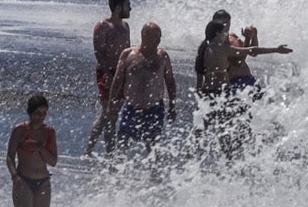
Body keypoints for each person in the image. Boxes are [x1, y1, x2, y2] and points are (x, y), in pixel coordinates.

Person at [197, 17, 292, 160]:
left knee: (223, 125)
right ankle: (235, 156)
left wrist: (250, 38)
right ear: (217, 34)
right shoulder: (218, 48)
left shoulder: (208, 46)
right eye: (223, 32)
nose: (226, 34)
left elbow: (247, 53)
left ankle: (230, 155)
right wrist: (275, 50)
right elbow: (246, 53)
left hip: (217, 92)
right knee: (231, 124)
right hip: (221, 92)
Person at [5, 94, 58, 207]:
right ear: (29, 112)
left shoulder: (49, 132)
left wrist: (40, 147)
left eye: (44, 114)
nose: (40, 117)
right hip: (23, 181)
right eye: (37, 113)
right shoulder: (20, 130)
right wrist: (15, 177)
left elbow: (53, 161)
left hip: (43, 182)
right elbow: (9, 157)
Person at [110, 21, 176, 154]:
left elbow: (170, 82)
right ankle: (115, 173)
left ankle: (154, 174)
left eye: (159, 36)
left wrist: (172, 106)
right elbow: (117, 81)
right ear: (144, 35)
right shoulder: (128, 54)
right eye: (155, 36)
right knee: (122, 145)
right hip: (131, 107)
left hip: (154, 108)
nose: (158, 40)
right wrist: (111, 104)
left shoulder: (162, 56)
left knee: (152, 148)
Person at [84, 0, 131, 155]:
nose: (130, 9)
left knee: (114, 115)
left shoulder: (125, 26)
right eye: (127, 5)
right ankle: (88, 150)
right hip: (106, 72)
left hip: (121, 73)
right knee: (106, 113)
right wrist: (108, 75)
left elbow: (127, 52)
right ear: (118, 7)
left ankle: (110, 152)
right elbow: (98, 52)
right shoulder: (103, 26)